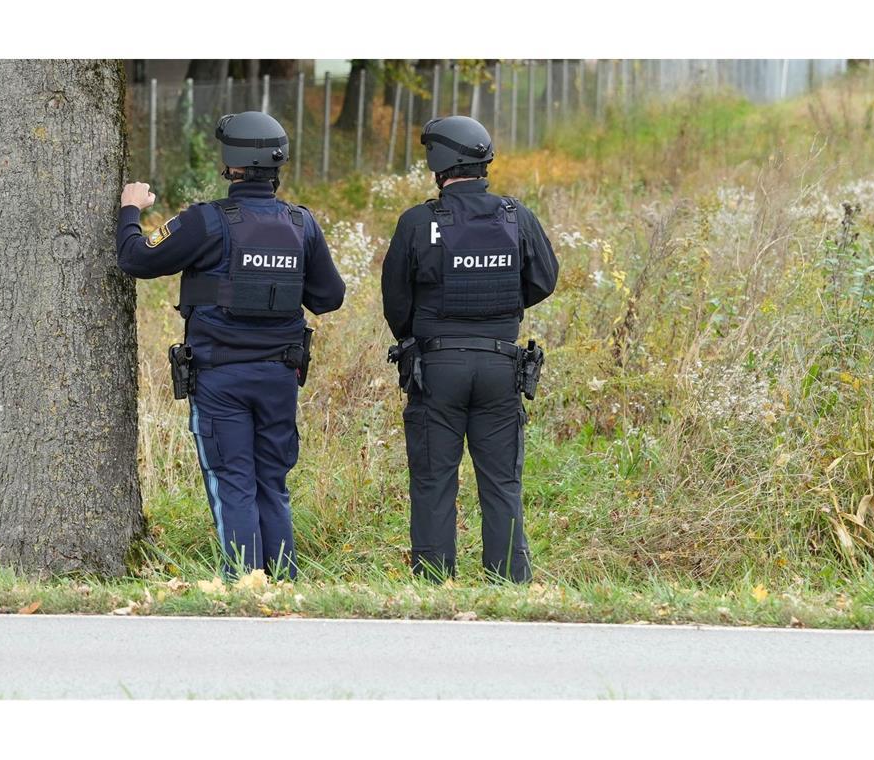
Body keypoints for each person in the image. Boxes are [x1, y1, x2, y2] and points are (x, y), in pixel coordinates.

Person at [116, 111, 345, 579]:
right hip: (280, 377)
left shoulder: (205, 222)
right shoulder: (302, 224)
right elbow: (330, 297)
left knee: (233, 483)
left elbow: (135, 258)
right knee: (272, 485)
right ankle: (282, 584)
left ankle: (242, 586)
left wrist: (130, 209)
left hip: (221, 379)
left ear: (231, 163)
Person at [381, 115, 559, 583]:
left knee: (433, 481)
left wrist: (429, 330)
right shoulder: (515, 216)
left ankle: (435, 583)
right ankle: (507, 583)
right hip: (502, 363)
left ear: (439, 162)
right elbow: (544, 280)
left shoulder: (419, 222)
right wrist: (500, 313)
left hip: (436, 367)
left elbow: (395, 302)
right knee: (502, 483)